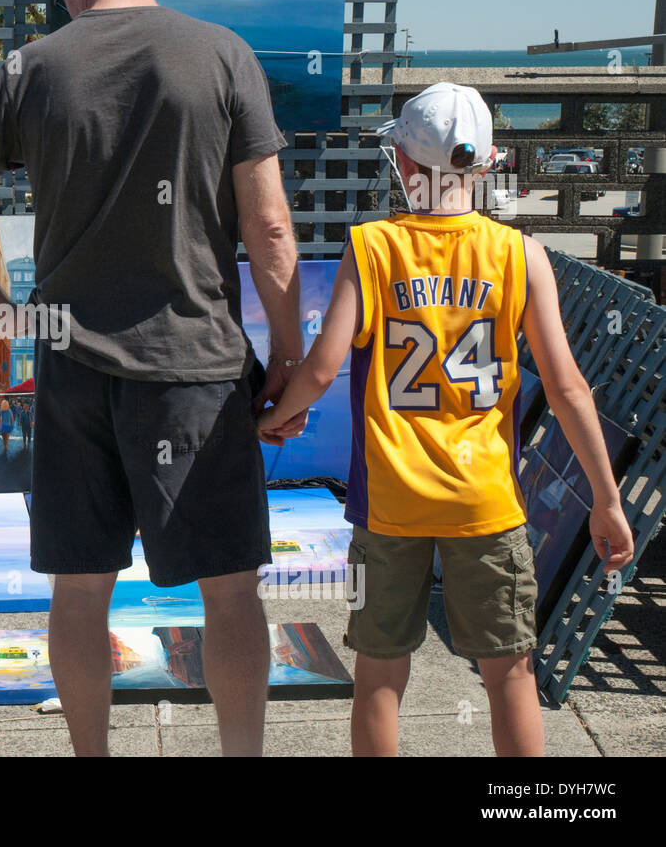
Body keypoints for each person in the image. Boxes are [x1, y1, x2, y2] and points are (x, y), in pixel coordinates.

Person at [0, 0, 306, 756]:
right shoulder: (224, 54)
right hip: (196, 370)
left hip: (73, 370)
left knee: (79, 593)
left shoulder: (34, 68)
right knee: (229, 593)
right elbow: (269, 232)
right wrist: (289, 356)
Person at [256, 82, 636, 757]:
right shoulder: (522, 256)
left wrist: (273, 420)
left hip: (390, 502)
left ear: (400, 164)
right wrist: (606, 500)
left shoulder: (371, 248)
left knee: (378, 673)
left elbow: (319, 368)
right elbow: (570, 387)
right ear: (489, 165)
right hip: (485, 502)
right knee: (509, 672)